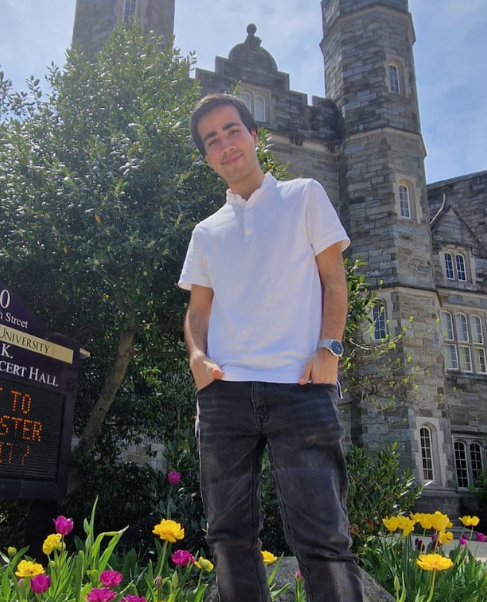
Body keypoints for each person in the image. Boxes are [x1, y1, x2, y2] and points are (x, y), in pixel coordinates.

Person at [178, 93, 364, 602]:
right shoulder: (205, 232)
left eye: (232, 130)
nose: (225, 144)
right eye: (211, 140)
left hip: (301, 389)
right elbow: (197, 311)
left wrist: (330, 348)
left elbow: (333, 278)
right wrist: (197, 359)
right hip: (224, 397)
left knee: (324, 538)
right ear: (207, 156)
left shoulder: (304, 195)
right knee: (229, 537)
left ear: (253, 136)